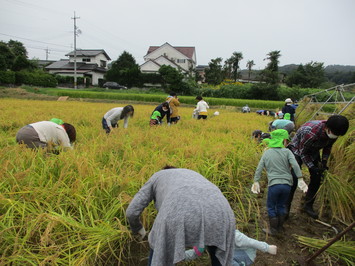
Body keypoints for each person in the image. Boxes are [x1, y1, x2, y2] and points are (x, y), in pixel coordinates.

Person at [126, 167, 236, 266]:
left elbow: (131, 211)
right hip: (222, 211)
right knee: (218, 252)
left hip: (177, 211)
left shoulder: (158, 175)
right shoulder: (192, 173)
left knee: (158, 247)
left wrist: (138, 228)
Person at [286, 115, 350, 219]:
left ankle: (307, 205)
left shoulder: (334, 132)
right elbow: (303, 153)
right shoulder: (311, 133)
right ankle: (285, 208)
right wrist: (312, 167)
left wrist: (324, 162)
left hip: (313, 150)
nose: (336, 136)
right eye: (335, 134)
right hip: (297, 150)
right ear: (327, 129)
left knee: (317, 177)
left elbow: (327, 147)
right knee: (293, 178)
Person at [251, 129, 307, 235]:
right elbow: (295, 165)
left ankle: (273, 230)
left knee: (271, 206)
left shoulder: (267, 153)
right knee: (281, 205)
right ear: (284, 140)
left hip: (274, 185)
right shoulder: (288, 152)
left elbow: (259, 168)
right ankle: (280, 227)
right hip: (287, 185)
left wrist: (256, 181)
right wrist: (300, 178)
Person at [185, 229, 277, 265]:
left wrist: (267, 248)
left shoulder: (233, 235)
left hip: (246, 254)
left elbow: (252, 242)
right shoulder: (206, 238)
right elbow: (195, 253)